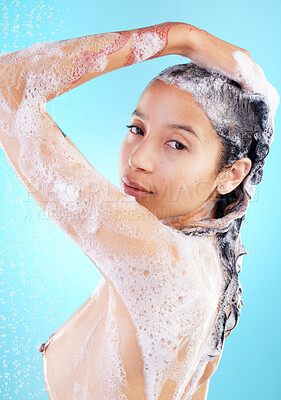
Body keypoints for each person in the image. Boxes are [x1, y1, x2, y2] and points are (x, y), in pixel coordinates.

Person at [0, 21, 278, 399]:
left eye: (177, 144)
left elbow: (7, 87)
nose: (139, 159)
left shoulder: (157, 258)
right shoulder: (212, 274)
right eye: (137, 128)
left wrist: (183, 37)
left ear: (231, 175)